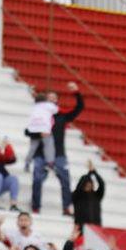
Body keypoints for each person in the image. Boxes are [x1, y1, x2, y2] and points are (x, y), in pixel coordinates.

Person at [32, 83, 82, 214]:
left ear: (57, 101)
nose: (52, 100)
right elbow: (28, 132)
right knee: (37, 179)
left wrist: (76, 92)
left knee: (66, 181)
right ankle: (35, 206)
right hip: (41, 154)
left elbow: (79, 108)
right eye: (49, 98)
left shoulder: (62, 116)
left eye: (54, 98)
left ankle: (66, 207)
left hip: (59, 154)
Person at [71, 161, 105, 226]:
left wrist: (94, 172)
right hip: (81, 226)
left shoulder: (96, 195)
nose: (89, 186)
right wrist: (89, 174)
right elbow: (79, 187)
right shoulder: (77, 195)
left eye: (91, 184)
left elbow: (102, 184)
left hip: (96, 227)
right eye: (87, 184)